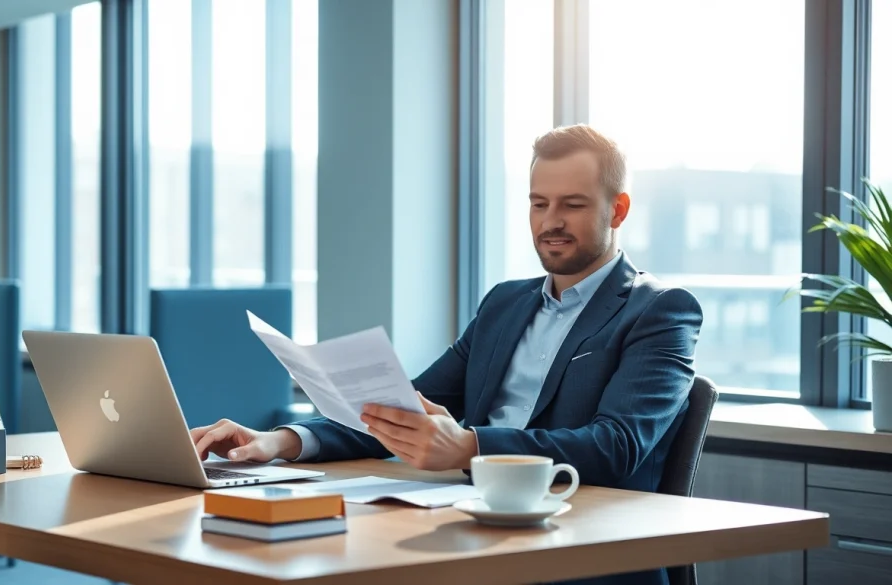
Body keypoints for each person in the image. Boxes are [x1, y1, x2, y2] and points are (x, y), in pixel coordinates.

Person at [191, 124, 703, 585]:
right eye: (538, 203)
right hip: (471, 527)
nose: (551, 221)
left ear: (617, 209)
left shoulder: (659, 311)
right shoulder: (505, 303)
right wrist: (279, 442)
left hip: (582, 549)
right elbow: (402, 408)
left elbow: (615, 446)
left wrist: (470, 446)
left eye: (572, 204)